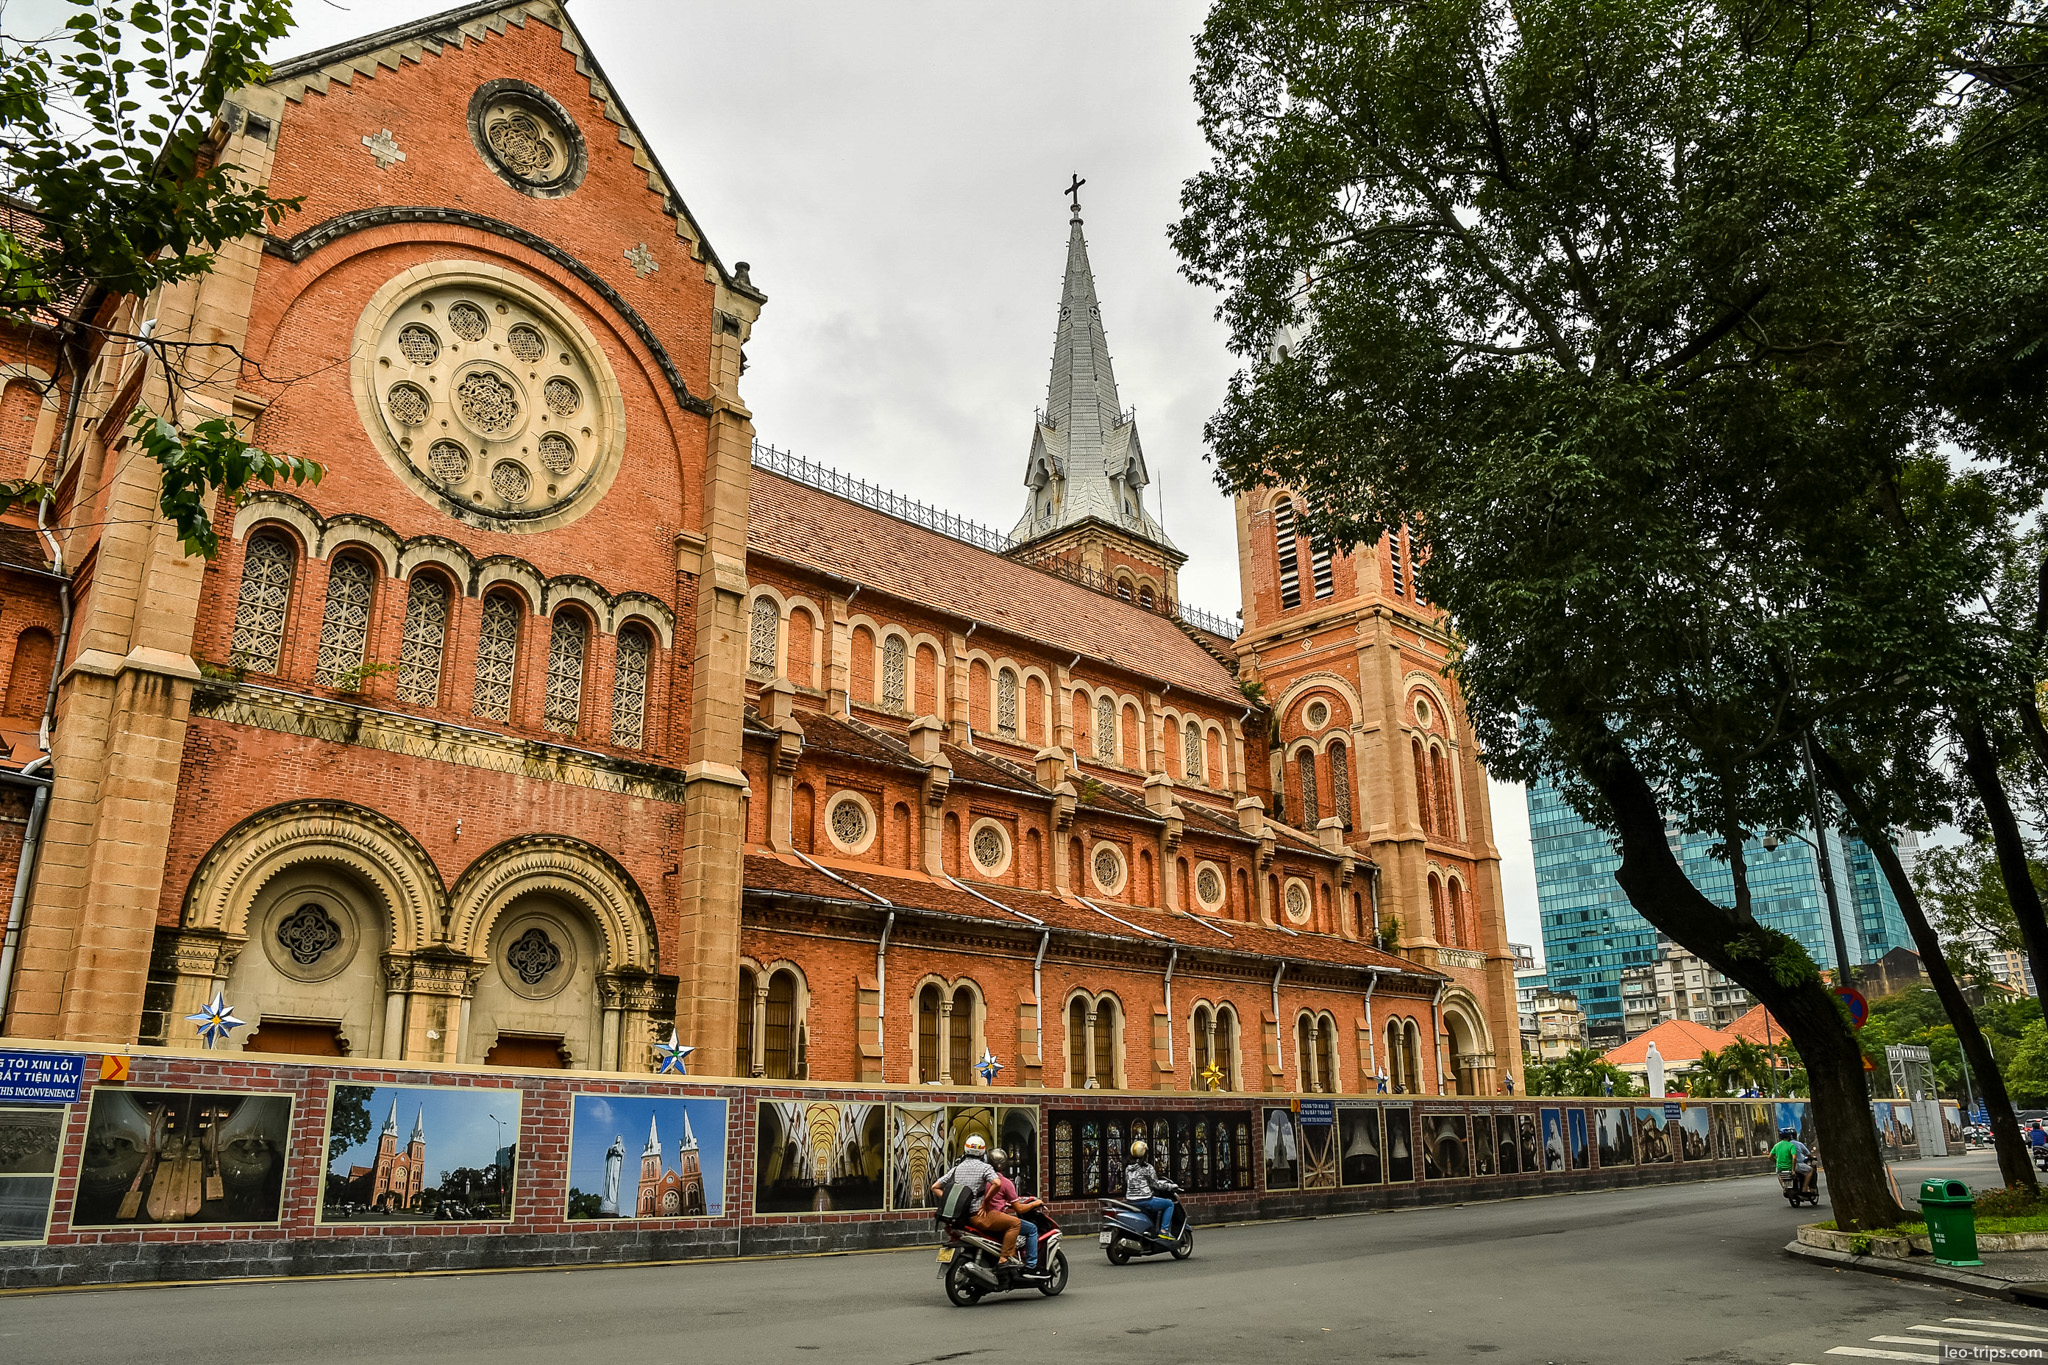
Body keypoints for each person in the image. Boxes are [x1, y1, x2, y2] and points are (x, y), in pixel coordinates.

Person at [932, 1134, 1020, 1265]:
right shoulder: (985, 1168)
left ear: (966, 1149)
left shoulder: (957, 1169)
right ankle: (1004, 1259)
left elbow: (935, 1187)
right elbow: (997, 1183)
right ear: (982, 1152)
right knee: (1015, 1223)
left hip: (960, 1218)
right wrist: (985, 1202)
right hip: (977, 1217)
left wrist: (952, 1200)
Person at [982, 1149, 1043, 1271]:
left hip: (983, 1217)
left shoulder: (983, 1181)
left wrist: (1005, 1203)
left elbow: (994, 1199)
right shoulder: (1005, 1183)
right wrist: (1035, 1203)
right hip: (998, 1219)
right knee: (1032, 1229)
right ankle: (1031, 1265)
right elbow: (1019, 1208)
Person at [1124, 1140, 1179, 1236]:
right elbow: (1156, 1184)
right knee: (1169, 1204)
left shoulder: (1128, 1168)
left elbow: (1127, 1181)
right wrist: (1170, 1186)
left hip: (1130, 1200)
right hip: (1145, 1200)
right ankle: (1164, 1231)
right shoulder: (1147, 1167)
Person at [1771, 1127, 1816, 1197]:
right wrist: (1793, 1169)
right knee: (1810, 1170)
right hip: (1794, 1165)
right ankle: (1804, 1188)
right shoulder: (1794, 1145)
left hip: (1781, 1167)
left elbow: (1770, 1156)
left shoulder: (1777, 1145)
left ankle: (1785, 1188)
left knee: (1779, 1174)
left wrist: (1776, 1162)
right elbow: (1795, 1158)